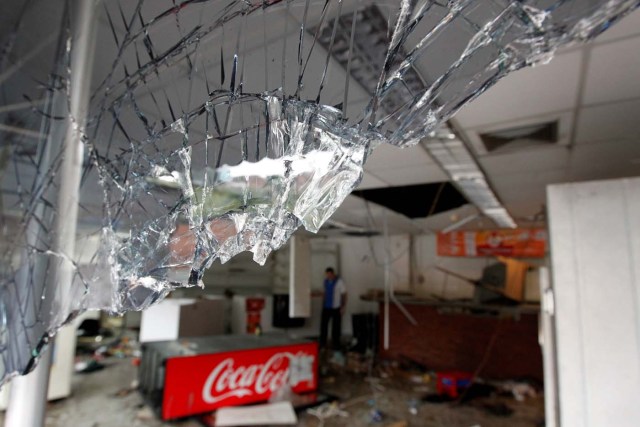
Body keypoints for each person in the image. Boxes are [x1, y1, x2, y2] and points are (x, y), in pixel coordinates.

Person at [319, 267, 347, 350]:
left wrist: (343, 306)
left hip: (336, 307)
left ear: (333, 274)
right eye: (327, 275)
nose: (329, 276)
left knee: (336, 326)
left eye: (330, 275)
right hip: (326, 306)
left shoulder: (339, 282)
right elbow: (324, 293)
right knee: (323, 325)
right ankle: (323, 343)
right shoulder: (325, 281)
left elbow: (344, 294)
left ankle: (336, 343)